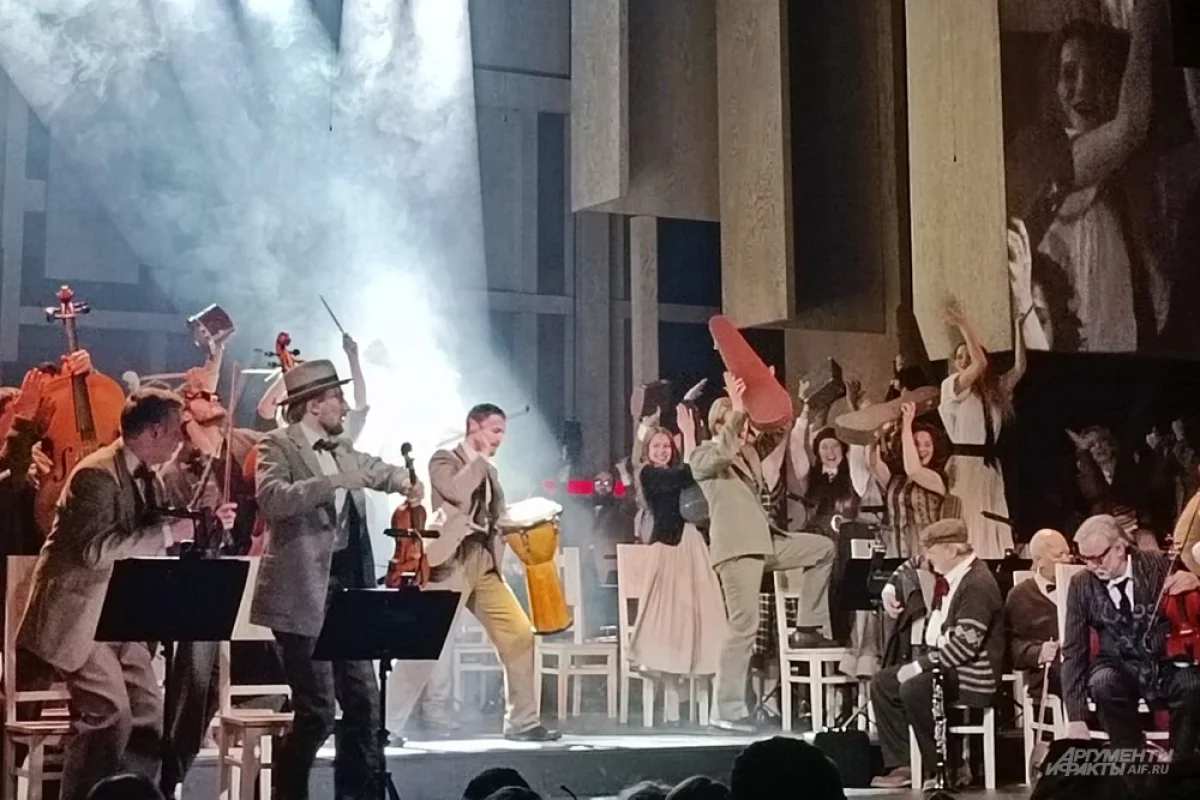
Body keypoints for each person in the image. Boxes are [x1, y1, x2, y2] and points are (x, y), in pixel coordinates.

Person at [250, 358, 424, 799]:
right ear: (313, 405)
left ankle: (357, 795)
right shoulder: (277, 445)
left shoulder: (341, 446)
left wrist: (405, 480)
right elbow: (273, 499)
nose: (345, 407)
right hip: (301, 593)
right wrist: (333, 483)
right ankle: (286, 794)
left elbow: (375, 469)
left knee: (365, 703)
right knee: (317, 711)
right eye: (338, 399)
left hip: (347, 591)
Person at [16, 389, 192, 800]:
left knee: (149, 711)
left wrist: (196, 524)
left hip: (118, 616)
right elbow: (95, 551)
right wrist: (167, 534)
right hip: (78, 614)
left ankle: (133, 794)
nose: (180, 440)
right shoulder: (94, 474)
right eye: (176, 431)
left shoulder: (147, 478)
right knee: (110, 713)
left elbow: (151, 534)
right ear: (154, 431)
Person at [388, 403, 560, 741]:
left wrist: (530, 518)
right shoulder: (443, 459)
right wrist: (479, 459)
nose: (499, 439)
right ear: (473, 427)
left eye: (502, 432)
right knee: (423, 644)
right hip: (448, 561)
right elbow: (456, 492)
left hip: (483, 561)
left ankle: (522, 722)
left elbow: (498, 515)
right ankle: (383, 724)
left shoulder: (490, 472)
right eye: (494, 430)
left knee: (518, 634)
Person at [689, 372, 835, 733]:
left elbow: (777, 429)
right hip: (738, 549)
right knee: (744, 626)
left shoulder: (748, 453)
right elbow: (723, 451)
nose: (742, 428)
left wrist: (765, 393)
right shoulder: (703, 455)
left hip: (766, 542)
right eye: (733, 422)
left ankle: (807, 626)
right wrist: (738, 408)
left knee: (823, 548)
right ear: (718, 425)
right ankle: (726, 709)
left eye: (742, 422)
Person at [158, 363, 275, 797]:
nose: (217, 399)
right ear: (186, 413)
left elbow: (280, 444)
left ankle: (254, 786)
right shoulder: (175, 470)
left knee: (272, 685)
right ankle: (168, 779)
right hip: (202, 589)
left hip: (250, 579)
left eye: (216, 394)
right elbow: (172, 535)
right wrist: (209, 523)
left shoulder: (245, 443)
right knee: (196, 693)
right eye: (204, 397)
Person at [870, 519, 1004, 791]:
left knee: (916, 686)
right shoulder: (952, 568)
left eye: (932, 551)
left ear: (952, 551)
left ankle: (948, 767)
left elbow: (965, 647)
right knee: (883, 683)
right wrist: (889, 588)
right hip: (948, 665)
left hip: (972, 672)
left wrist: (919, 666)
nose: (927, 558)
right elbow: (912, 563)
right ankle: (903, 763)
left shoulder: (977, 584)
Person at [1062, 515, 1200, 757]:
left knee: (1192, 684)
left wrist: (1195, 580)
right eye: (1085, 559)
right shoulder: (1081, 584)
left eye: (1097, 558)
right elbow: (1074, 650)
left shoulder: (1158, 565)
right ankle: (1131, 762)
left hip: (1163, 661)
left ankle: (1182, 764)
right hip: (1117, 664)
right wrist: (1076, 717)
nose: (1092, 566)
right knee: (1103, 683)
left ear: (1119, 548)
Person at [628, 404, 726, 725]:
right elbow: (687, 473)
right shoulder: (650, 474)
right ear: (647, 451)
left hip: (691, 545)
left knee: (698, 614)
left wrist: (689, 439)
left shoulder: (677, 471)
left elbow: (693, 475)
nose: (661, 451)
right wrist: (689, 434)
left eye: (666, 446)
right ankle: (670, 690)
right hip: (668, 549)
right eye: (656, 446)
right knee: (668, 618)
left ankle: (701, 688)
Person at [940, 298, 1026, 559]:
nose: (965, 361)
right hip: (965, 466)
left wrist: (1018, 328)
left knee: (992, 520)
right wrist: (964, 324)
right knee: (970, 520)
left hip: (988, 466)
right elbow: (980, 365)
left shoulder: (993, 393)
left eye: (969, 355)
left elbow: (1019, 368)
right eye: (960, 357)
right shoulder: (952, 387)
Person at [869, 402, 950, 559]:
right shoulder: (896, 479)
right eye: (915, 444)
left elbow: (914, 470)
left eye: (927, 445)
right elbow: (873, 463)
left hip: (925, 551)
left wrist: (907, 425)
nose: (921, 449)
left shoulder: (936, 478)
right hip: (896, 548)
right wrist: (875, 431)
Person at [1007, 529, 1073, 698]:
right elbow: (1011, 646)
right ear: (1039, 560)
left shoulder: (1082, 586)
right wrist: (1039, 652)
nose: (1067, 560)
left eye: (1068, 553)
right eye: (1059, 555)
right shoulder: (1020, 595)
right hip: (1049, 674)